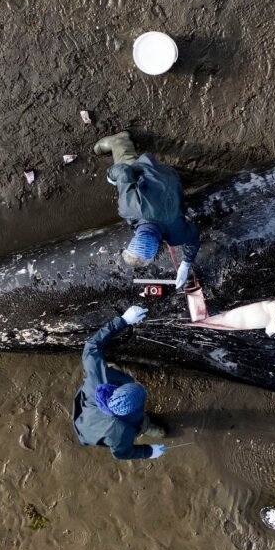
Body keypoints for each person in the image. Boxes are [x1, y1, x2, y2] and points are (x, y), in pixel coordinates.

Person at [94, 131, 202, 291]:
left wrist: (186, 264)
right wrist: (112, 175)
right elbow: (123, 172)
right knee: (127, 169)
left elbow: (193, 237)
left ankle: (120, 141)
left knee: (126, 170)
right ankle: (120, 142)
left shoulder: (176, 235)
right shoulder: (129, 209)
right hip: (155, 172)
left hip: (173, 177)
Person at [73, 306, 172, 459]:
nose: (140, 385)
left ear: (116, 390)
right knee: (144, 425)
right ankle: (147, 427)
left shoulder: (97, 382)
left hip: (86, 421)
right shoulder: (121, 432)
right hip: (101, 429)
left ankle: (112, 366)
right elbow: (121, 453)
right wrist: (149, 452)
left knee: (107, 368)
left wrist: (123, 321)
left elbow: (91, 347)